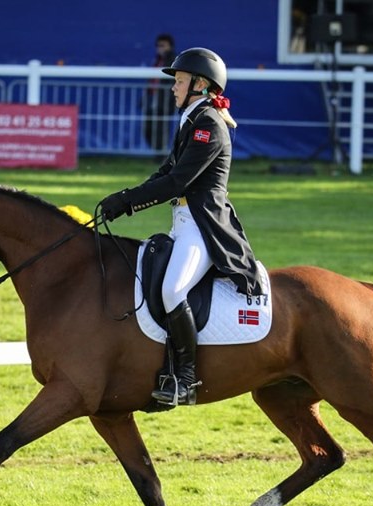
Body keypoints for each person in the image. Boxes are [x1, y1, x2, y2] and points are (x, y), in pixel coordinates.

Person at [98, 47, 263, 408]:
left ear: (200, 85)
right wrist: (123, 200)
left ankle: (185, 378)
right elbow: (164, 173)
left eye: (179, 80)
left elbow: (177, 182)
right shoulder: (193, 119)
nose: (173, 87)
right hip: (184, 224)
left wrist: (128, 200)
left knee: (173, 290)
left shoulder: (209, 126)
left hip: (204, 228)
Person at [143, 34, 177, 155]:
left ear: (170, 46)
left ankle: (160, 155)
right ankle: (158, 152)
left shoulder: (174, 61)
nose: (160, 48)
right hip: (152, 98)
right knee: (147, 129)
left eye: (163, 45)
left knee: (161, 129)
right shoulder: (157, 60)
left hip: (165, 100)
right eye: (158, 46)